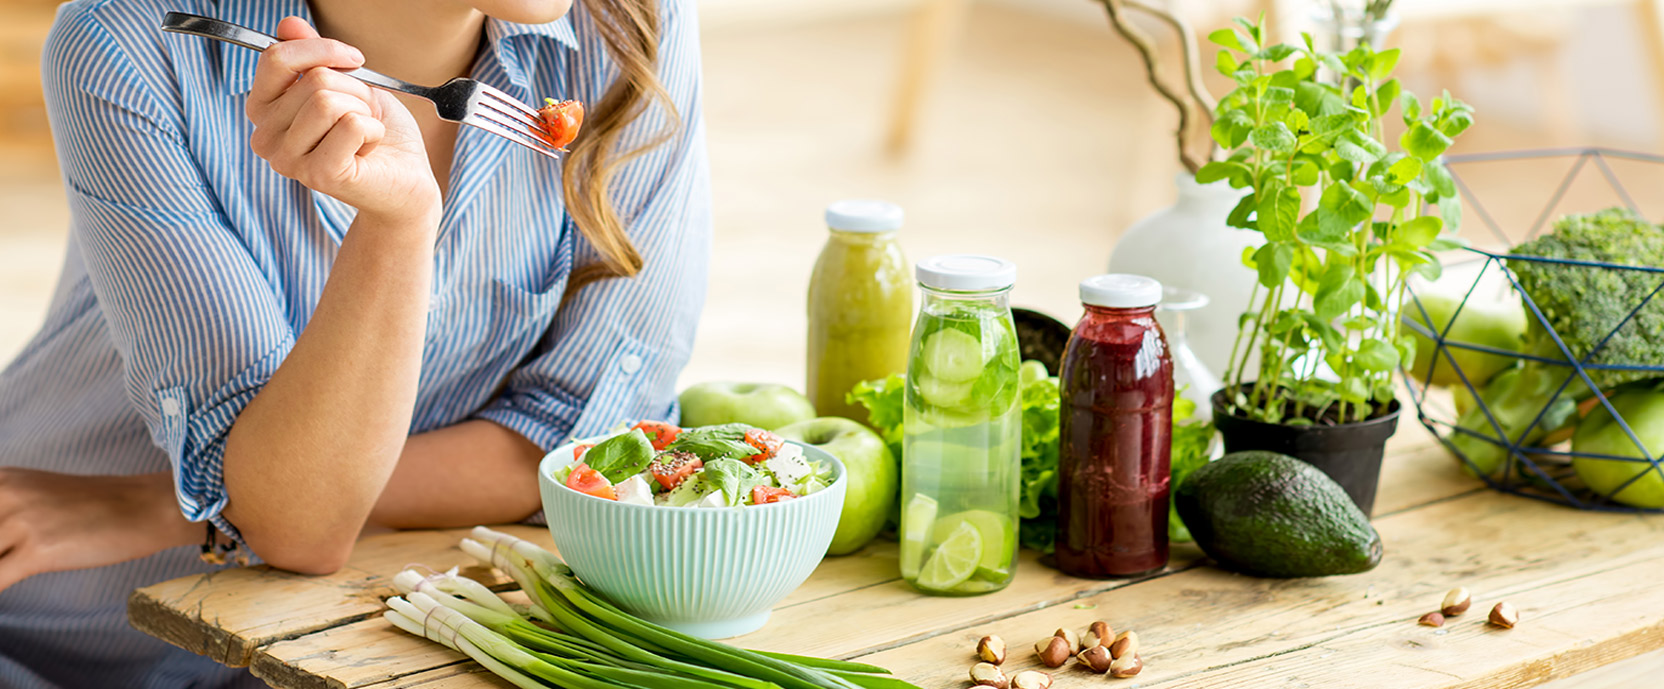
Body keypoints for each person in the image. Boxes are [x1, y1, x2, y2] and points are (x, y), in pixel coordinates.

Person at [0, 0, 708, 684]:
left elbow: (595, 443)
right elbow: (295, 523)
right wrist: (396, 228)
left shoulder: (630, 26)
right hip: (50, 621)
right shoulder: (132, 40)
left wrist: (173, 509)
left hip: (337, 643)